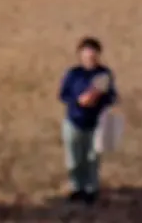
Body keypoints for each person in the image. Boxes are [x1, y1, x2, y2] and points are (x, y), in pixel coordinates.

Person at [58, 37, 118, 204]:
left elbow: (112, 97)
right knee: (74, 158)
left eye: (93, 56)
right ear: (80, 55)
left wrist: (98, 98)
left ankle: (91, 189)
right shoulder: (73, 74)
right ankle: (77, 187)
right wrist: (78, 100)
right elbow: (63, 94)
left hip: (96, 125)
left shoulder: (104, 75)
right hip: (73, 123)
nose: (90, 59)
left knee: (92, 159)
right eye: (86, 55)